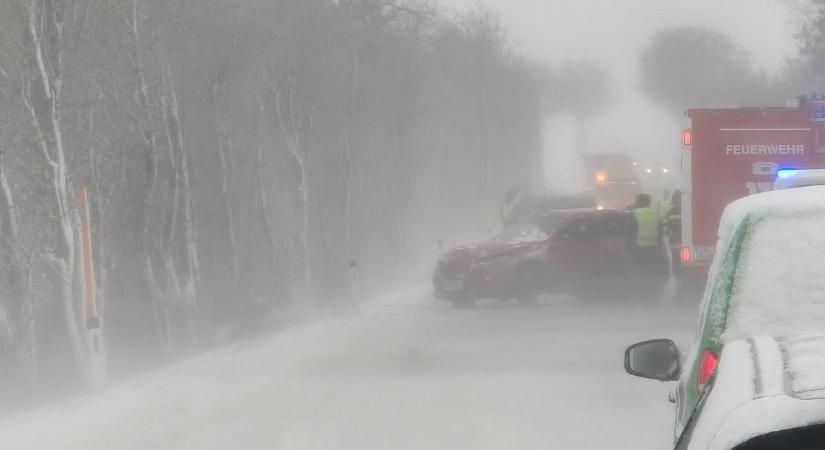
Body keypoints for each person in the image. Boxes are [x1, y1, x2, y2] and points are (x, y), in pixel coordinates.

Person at [627, 194, 668, 296]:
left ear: (638, 202)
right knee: (653, 273)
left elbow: (630, 232)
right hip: (654, 249)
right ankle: (653, 293)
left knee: (640, 274)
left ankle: (642, 294)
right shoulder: (655, 214)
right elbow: (660, 232)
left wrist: (629, 247)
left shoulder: (634, 214)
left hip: (639, 250)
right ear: (649, 202)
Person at [664, 190, 682, 279]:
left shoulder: (671, 212)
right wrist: (669, 233)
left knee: (679, 263)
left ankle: (680, 279)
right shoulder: (670, 212)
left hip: (679, 243)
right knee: (677, 263)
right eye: (678, 198)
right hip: (675, 243)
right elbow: (666, 228)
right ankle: (679, 280)